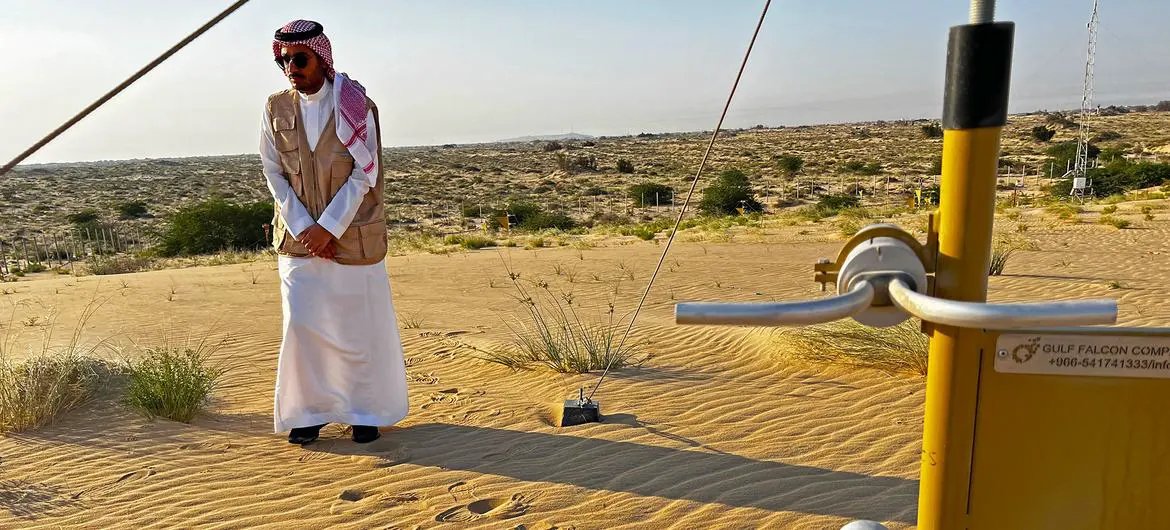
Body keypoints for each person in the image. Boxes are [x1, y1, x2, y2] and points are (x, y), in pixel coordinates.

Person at [259, 19, 408, 445]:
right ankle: (309, 413)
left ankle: (365, 413)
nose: (291, 68)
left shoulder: (357, 105)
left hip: (353, 235)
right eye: (284, 61)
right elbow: (273, 174)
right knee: (304, 329)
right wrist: (307, 228)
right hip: (299, 241)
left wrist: (329, 228)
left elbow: (366, 172)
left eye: (299, 59)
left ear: (321, 58)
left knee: (357, 329)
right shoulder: (274, 107)